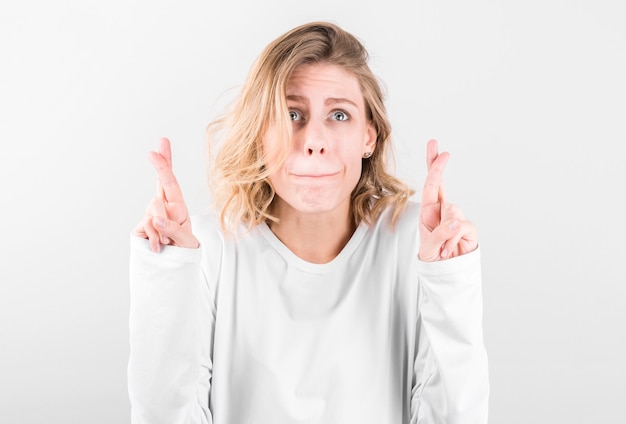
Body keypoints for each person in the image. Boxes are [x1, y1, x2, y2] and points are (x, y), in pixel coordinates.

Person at [129, 21, 489, 424]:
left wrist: (449, 281)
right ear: (261, 133)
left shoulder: (416, 243)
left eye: (339, 114)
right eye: (292, 113)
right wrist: (168, 275)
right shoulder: (207, 248)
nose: (313, 139)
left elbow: (457, 415)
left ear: (368, 136)